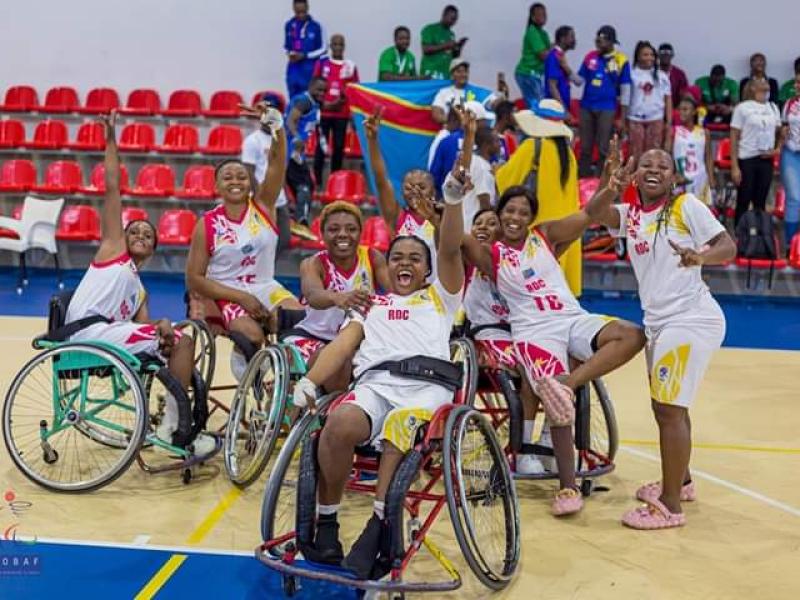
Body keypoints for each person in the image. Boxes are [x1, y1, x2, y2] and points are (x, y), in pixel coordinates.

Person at [290, 160, 469, 577]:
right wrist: (309, 382)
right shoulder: (370, 303)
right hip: (376, 386)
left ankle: (380, 523)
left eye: (415, 259)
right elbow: (342, 346)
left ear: (427, 269)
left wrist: (453, 199)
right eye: (397, 258)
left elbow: (449, 247)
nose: (405, 264)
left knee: (399, 427)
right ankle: (328, 522)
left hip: (426, 389)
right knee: (338, 424)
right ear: (385, 268)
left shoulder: (441, 297)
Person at [462, 179, 645, 516]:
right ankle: (567, 487)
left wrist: (611, 187)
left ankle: (568, 384)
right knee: (557, 398)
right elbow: (457, 238)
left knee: (632, 335)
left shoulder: (544, 235)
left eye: (523, 212)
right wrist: (446, 200)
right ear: (499, 214)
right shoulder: (491, 254)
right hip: (535, 333)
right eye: (509, 210)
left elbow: (590, 214)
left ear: (531, 217)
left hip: (571, 317)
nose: (516, 217)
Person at [586, 147, 737, 530]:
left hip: (690, 320)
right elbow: (595, 213)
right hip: (660, 324)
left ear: (673, 177)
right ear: (635, 175)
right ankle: (680, 482)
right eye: (646, 165)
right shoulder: (633, 214)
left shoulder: (686, 206)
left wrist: (700, 257)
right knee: (668, 407)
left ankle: (670, 506)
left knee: (669, 410)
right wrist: (610, 183)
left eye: (663, 166)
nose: (654, 170)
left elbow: (728, 245)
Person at [66, 112, 214, 455]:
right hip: (87, 333)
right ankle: (175, 430)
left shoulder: (139, 287)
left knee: (179, 342)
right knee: (180, 341)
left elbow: (144, 326)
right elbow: (112, 187)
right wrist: (111, 139)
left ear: (154, 248)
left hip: (107, 335)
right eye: (134, 231)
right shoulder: (113, 250)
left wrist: (162, 325)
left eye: (148, 234)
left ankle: (174, 422)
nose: (140, 235)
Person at [186, 106, 305, 384]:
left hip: (265, 285)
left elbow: (277, 164)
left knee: (297, 316)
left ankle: (289, 384)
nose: (236, 181)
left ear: (250, 182)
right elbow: (194, 279)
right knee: (251, 335)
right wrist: (242, 298)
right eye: (227, 177)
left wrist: (276, 125)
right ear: (217, 186)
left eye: (241, 176)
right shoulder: (208, 224)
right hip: (227, 291)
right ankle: (247, 366)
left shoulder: (263, 205)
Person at [462, 209, 544, 475]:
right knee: (532, 364)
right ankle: (524, 450)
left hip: (520, 332)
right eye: (478, 223)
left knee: (557, 360)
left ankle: (548, 440)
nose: (483, 227)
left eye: (491, 223)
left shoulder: (516, 262)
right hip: (485, 336)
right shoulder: (464, 260)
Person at [285, 201, 390, 391]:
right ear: (322, 234)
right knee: (339, 362)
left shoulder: (373, 258)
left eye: (351, 229)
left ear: (360, 233)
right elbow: (313, 295)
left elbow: (395, 290)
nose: (343, 234)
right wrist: (338, 298)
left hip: (356, 342)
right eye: (334, 229)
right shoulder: (312, 263)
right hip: (314, 337)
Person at [366, 106, 470, 282]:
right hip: (407, 291)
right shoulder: (396, 216)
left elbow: (461, 176)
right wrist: (372, 140)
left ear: (433, 191)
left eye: (421, 186)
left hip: (439, 292)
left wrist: (469, 135)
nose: (415, 191)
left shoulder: (444, 216)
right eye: (409, 187)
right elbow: (381, 180)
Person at [496, 100, 583, 295]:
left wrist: (497, 170)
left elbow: (505, 183)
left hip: (541, 233)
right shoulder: (568, 154)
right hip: (568, 233)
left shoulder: (532, 146)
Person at [577, 25, 631, 177]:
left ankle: (600, 180)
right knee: (585, 147)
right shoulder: (590, 57)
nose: (598, 43)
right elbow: (579, 80)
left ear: (611, 41)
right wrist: (565, 67)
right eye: (597, 40)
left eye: (601, 40)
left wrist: (623, 118)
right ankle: (583, 179)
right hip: (586, 106)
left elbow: (626, 90)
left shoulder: (621, 60)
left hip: (607, 108)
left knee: (603, 148)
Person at [730, 80, 782, 225]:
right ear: (752, 87)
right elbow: (734, 136)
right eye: (760, 80)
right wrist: (734, 166)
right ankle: (740, 233)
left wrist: (777, 149)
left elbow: (780, 132)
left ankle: (759, 233)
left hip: (766, 159)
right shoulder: (742, 108)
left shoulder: (773, 107)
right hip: (747, 158)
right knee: (744, 199)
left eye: (765, 80)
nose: (765, 82)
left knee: (761, 200)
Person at [241, 103, 291, 252]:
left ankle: (269, 266)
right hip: (261, 198)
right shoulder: (252, 140)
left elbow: (281, 169)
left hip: (280, 199)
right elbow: (249, 171)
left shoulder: (280, 140)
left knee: (284, 239)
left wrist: (287, 194)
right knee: (260, 241)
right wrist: (259, 198)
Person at [312, 34, 360, 185]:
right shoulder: (322, 63)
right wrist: (322, 103)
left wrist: (352, 113)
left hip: (342, 114)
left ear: (344, 46)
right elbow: (314, 85)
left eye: (341, 44)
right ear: (331, 46)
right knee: (321, 147)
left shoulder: (350, 66)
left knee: (339, 147)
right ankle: (316, 182)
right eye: (335, 44)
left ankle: (334, 181)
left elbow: (355, 90)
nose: (338, 47)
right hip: (324, 113)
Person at [285, 76, 327, 226]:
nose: (322, 93)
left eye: (324, 91)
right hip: (291, 151)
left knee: (304, 185)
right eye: (319, 89)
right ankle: (301, 220)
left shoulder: (314, 103)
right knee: (305, 185)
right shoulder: (304, 102)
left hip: (296, 152)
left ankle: (294, 214)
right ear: (310, 87)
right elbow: (291, 120)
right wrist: (296, 137)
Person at [430, 100, 490, 192]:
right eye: (485, 121)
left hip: (449, 196)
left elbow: (435, 176)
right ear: (476, 121)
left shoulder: (446, 141)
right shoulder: (488, 142)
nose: (487, 125)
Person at [627, 41, 672, 163]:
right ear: (638, 56)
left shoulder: (662, 76)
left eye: (652, 55)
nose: (649, 58)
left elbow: (668, 99)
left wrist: (668, 122)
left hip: (656, 119)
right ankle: (635, 175)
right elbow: (624, 97)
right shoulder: (631, 74)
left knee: (653, 155)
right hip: (635, 119)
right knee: (635, 155)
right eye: (645, 55)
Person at [671, 94, 715, 205]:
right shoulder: (673, 131)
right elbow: (667, 156)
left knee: (702, 210)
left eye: (685, 109)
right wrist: (672, 175)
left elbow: (708, 158)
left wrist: (711, 179)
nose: (682, 112)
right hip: (681, 179)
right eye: (680, 109)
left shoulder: (704, 132)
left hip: (700, 177)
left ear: (694, 111)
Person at [430, 59, 501, 126]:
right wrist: (456, 120)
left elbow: (494, 103)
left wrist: (501, 98)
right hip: (452, 131)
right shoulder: (444, 93)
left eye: (465, 71)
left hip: (474, 131)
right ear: (452, 75)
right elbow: (436, 115)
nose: (463, 74)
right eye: (459, 71)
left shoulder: (477, 91)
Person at [284, 0, 327, 99]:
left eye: (303, 12)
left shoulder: (316, 26)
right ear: (293, 9)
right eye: (298, 12)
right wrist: (290, 54)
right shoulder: (289, 25)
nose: (301, 15)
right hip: (293, 68)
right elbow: (286, 46)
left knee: (309, 99)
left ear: (307, 8)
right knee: (293, 98)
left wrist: (306, 55)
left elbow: (324, 49)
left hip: (310, 68)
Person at [459, 126, 499, 231]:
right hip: (472, 226)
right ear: (486, 145)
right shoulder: (482, 168)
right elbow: (484, 201)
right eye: (496, 141)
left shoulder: (475, 161)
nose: (499, 144)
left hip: (465, 223)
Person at [514, 3, 550, 109]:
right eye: (540, 14)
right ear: (533, 18)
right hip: (527, 73)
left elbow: (549, 51)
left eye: (544, 14)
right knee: (536, 106)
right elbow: (543, 55)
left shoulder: (543, 34)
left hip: (535, 75)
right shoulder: (532, 32)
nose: (543, 17)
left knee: (540, 104)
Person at [420, 5, 466, 80]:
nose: (453, 22)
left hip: (445, 74)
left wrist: (459, 47)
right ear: (444, 15)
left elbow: (453, 57)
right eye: (452, 18)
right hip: (430, 73)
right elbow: (426, 49)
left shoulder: (451, 34)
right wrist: (446, 45)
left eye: (455, 20)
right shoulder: (430, 29)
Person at [780, 72, 800, 244]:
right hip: (791, 152)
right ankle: (790, 244)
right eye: (796, 82)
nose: (797, 85)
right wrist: (782, 132)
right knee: (793, 198)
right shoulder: (789, 103)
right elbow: (784, 126)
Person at [544, 26, 578, 115]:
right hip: (555, 109)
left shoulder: (561, 56)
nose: (574, 40)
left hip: (560, 108)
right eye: (572, 36)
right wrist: (563, 110)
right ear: (562, 39)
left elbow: (578, 82)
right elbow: (552, 86)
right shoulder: (554, 56)